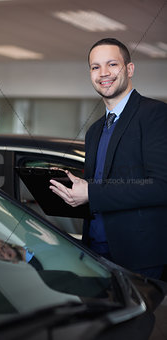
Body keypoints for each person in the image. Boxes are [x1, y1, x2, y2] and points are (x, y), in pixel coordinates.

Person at [49, 38, 167, 280]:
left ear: (129, 69)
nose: (103, 73)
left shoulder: (155, 114)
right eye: (95, 67)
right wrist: (73, 192)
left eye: (112, 64)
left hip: (139, 257)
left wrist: (92, 193)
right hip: (95, 253)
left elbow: (161, 186)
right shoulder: (94, 130)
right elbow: (99, 187)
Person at [0, 238, 110, 297]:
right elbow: (89, 288)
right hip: (108, 278)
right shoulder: (41, 276)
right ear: (2, 260)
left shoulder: (32, 236)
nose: (1, 249)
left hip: (100, 248)